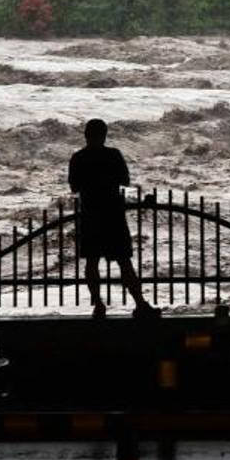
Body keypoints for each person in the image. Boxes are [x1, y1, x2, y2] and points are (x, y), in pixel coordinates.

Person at [68, 119, 159, 320]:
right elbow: (125, 181)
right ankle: (140, 304)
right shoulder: (113, 155)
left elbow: (74, 187)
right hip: (112, 214)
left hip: (91, 214)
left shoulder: (78, 158)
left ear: (86, 134)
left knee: (91, 263)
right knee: (124, 263)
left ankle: (98, 305)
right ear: (105, 135)